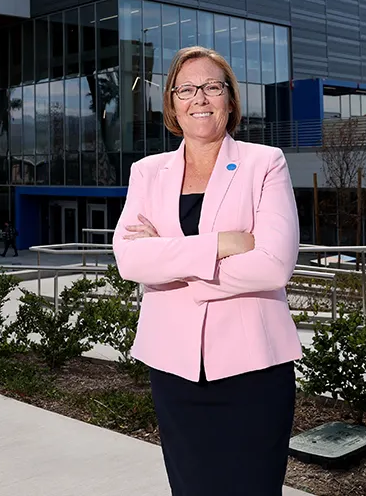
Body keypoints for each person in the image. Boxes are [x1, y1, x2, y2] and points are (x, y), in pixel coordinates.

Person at [112, 46, 301, 496]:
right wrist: (221, 245)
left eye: (212, 87)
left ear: (230, 100)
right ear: (173, 104)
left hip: (254, 369)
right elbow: (129, 259)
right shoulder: (147, 172)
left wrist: (172, 264)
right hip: (174, 369)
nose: (200, 98)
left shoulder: (265, 163)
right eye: (186, 89)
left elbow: (274, 266)